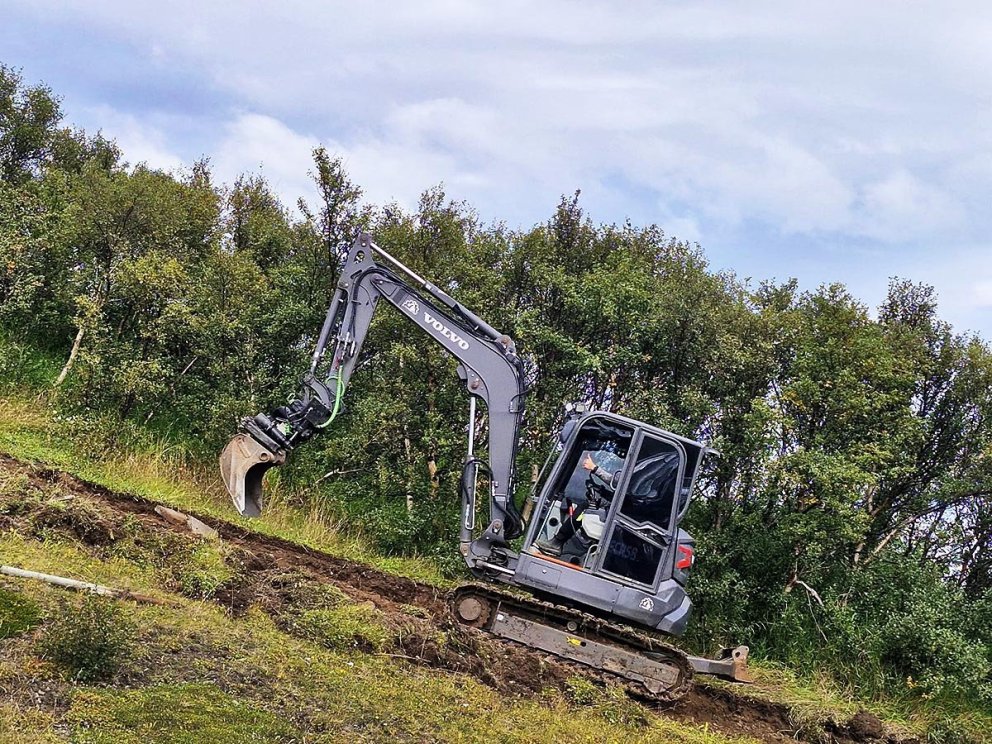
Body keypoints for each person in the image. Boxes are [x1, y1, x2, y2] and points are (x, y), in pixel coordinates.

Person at [535, 453, 620, 557]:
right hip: (619, 507)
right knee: (589, 502)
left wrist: (594, 468)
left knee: (585, 510)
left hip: (622, 513)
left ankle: (558, 542)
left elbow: (619, 483)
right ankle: (558, 542)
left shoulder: (639, 474)